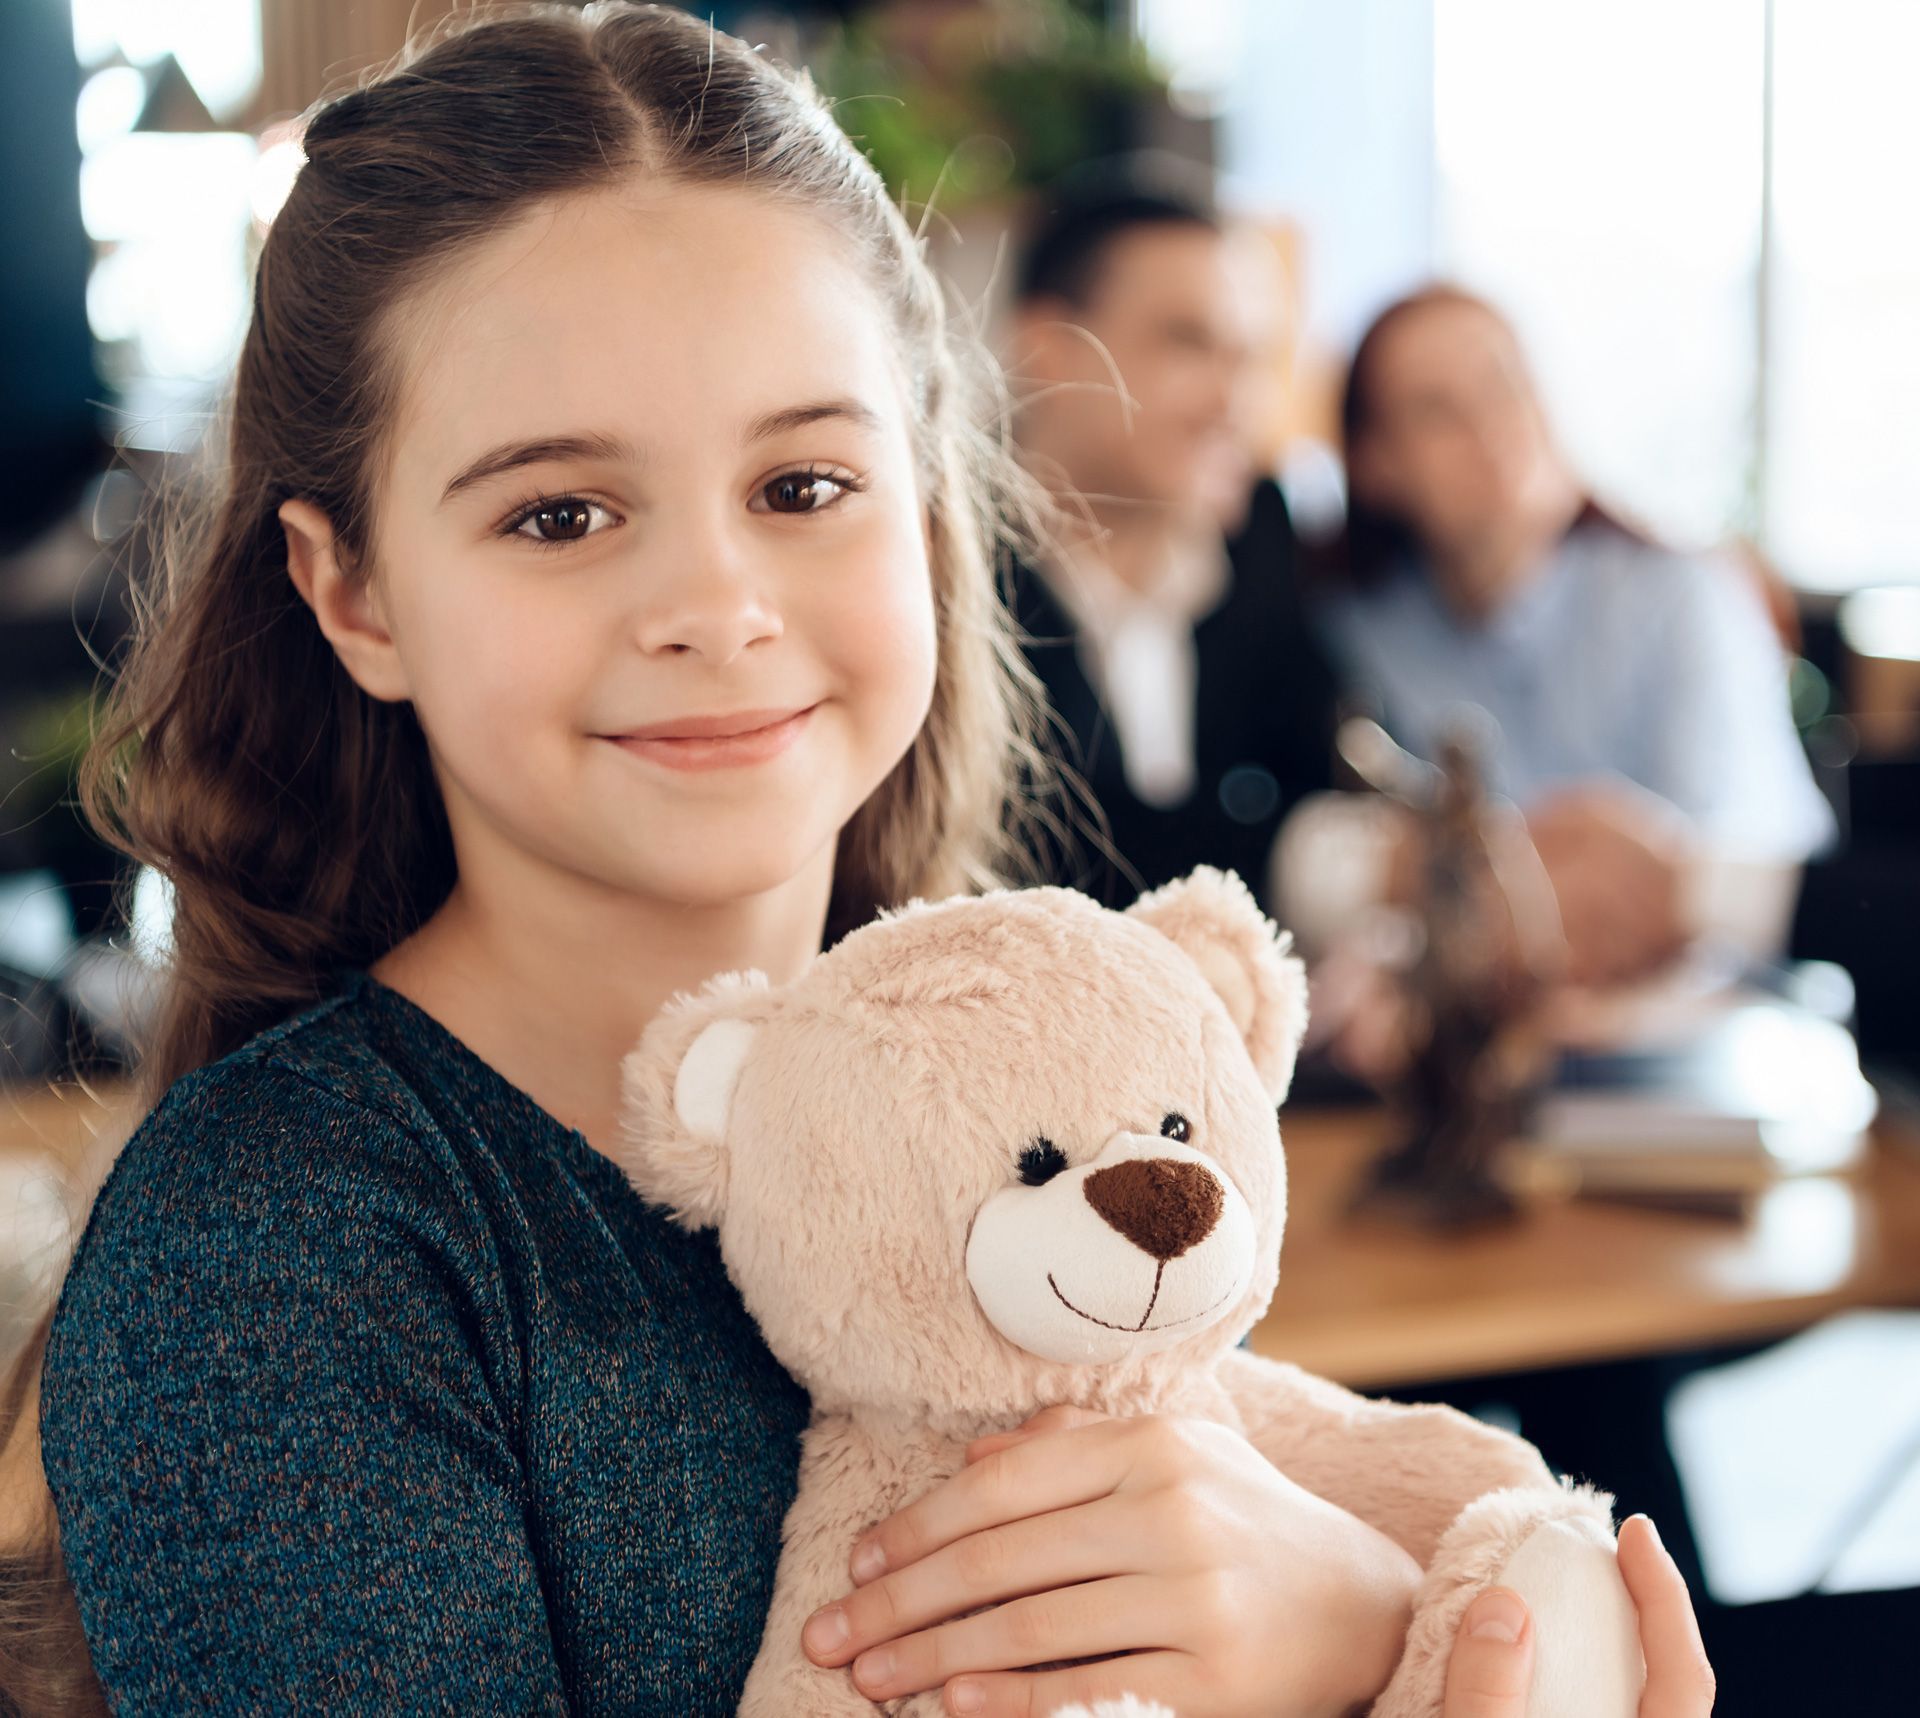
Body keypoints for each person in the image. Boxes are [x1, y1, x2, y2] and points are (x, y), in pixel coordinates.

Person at [0, 12, 1711, 1714]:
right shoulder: (276, 1253)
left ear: (929, 513)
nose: (716, 605)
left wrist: (1369, 1616)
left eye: (805, 481)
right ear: (354, 591)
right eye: (559, 513)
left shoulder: (1044, 1086)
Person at [1283, 285, 1833, 996]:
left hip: (1719, 1011)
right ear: (1375, 463)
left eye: (1504, 384)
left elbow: (1744, 855)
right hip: (1486, 1023)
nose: (1490, 428)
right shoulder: (1355, 629)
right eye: (1436, 411)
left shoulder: (1686, 597)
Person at [1004, 160, 1343, 912]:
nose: (1235, 401)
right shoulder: (936, 569)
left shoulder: (1262, 535)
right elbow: (1039, 863)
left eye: (1252, 358)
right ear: (1046, 348)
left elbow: (1327, 771)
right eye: (1189, 343)